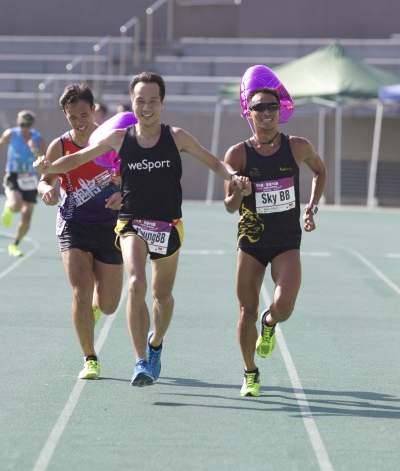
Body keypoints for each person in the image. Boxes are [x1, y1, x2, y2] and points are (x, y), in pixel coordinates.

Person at [34, 71, 246, 388]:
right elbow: (76, 160)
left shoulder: (176, 137)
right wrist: (48, 169)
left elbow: (214, 162)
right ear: (131, 102)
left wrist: (233, 176)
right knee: (132, 284)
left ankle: (154, 342)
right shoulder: (116, 138)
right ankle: (135, 361)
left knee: (158, 298)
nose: (146, 107)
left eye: (152, 101)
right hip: (121, 224)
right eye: (140, 101)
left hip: (164, 225)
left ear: (162, 103)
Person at [224, 85, 327, 397]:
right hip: (251, 241)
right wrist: (239, 192)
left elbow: (320, 171)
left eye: (271, 106)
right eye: (259, 107)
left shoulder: (297, 146)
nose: (266, 112)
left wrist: (311, 207)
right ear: (248, 113)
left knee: (284, 307)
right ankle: (250, 373)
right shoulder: (238, 154)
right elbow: (229, 206)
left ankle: (269, 323)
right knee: (246, 310)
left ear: (280, 111)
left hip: (286, 240)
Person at [37, 84, 123, 380]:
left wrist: (123, 193)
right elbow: (45, 180)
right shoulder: (60, 146)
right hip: (73, 225)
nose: (79, 122)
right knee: (81, 290)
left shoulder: (112, 139)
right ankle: (90, 358)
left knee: (109, 304)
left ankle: (94, 309)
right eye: (72, 117)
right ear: (65, 115)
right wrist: (47, 190)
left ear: (94, 109)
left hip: (109, 226)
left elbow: (132, 179)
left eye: (84, 115)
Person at [0, 110, 46, 257]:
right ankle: (9, 208)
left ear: (31, 125)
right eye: (21, 125)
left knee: (27, 215)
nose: (24, 128)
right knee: (16, 206)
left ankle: (14, 244)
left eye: (27, 125)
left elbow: (44, 159)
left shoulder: (38, 138)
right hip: (14, 175)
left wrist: (35, 150)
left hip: (30, 178)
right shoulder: (11, 134)